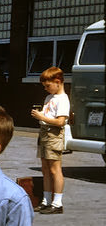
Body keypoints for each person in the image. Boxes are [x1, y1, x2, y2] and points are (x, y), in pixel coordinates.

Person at [30, 66, 69, 214]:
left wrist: (42, 117)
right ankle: (46, 200)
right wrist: (41, 115)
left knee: (55, 169)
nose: (46, 89)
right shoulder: (49, 97)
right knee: (45, 169)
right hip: (44, 133)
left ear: (58, 82)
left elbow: (60, 122)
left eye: (48, 86)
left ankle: (57, 203)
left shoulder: (63, 100)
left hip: (54, 134)